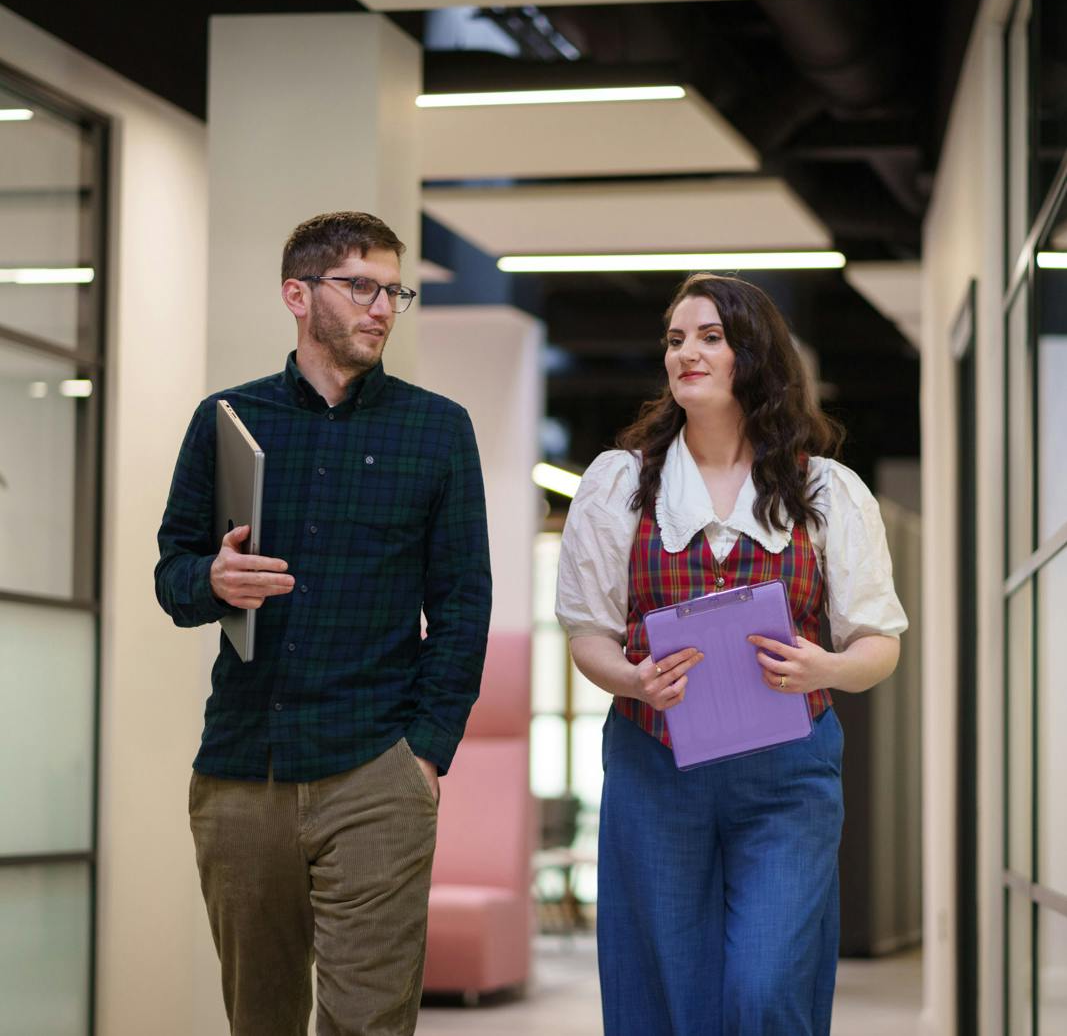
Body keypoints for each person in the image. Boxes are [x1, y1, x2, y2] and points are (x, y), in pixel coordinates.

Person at [155, 211, 492, 1036]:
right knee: (260, 1019)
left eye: (393, 291)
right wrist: (211, 578)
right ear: (297, 294)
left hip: (376, 769)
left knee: (368, 1022)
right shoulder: (225, 419)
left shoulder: (437, 429)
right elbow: (172, 576)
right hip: (243, 768)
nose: (381, 308)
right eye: (361, 287)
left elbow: (462, 602)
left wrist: (425, 752)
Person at [555, 272, 907, 1036]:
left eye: (709, 337)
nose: (686, 352)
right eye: (675, 339)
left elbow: (878, 644)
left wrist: (825, 666)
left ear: (754, 355)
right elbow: (587, 634)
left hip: (787, 773)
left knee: (765, 981)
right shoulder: (619, 484)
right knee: (666, 988)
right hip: (654, 766)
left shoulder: (826, 491)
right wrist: (632, 679)